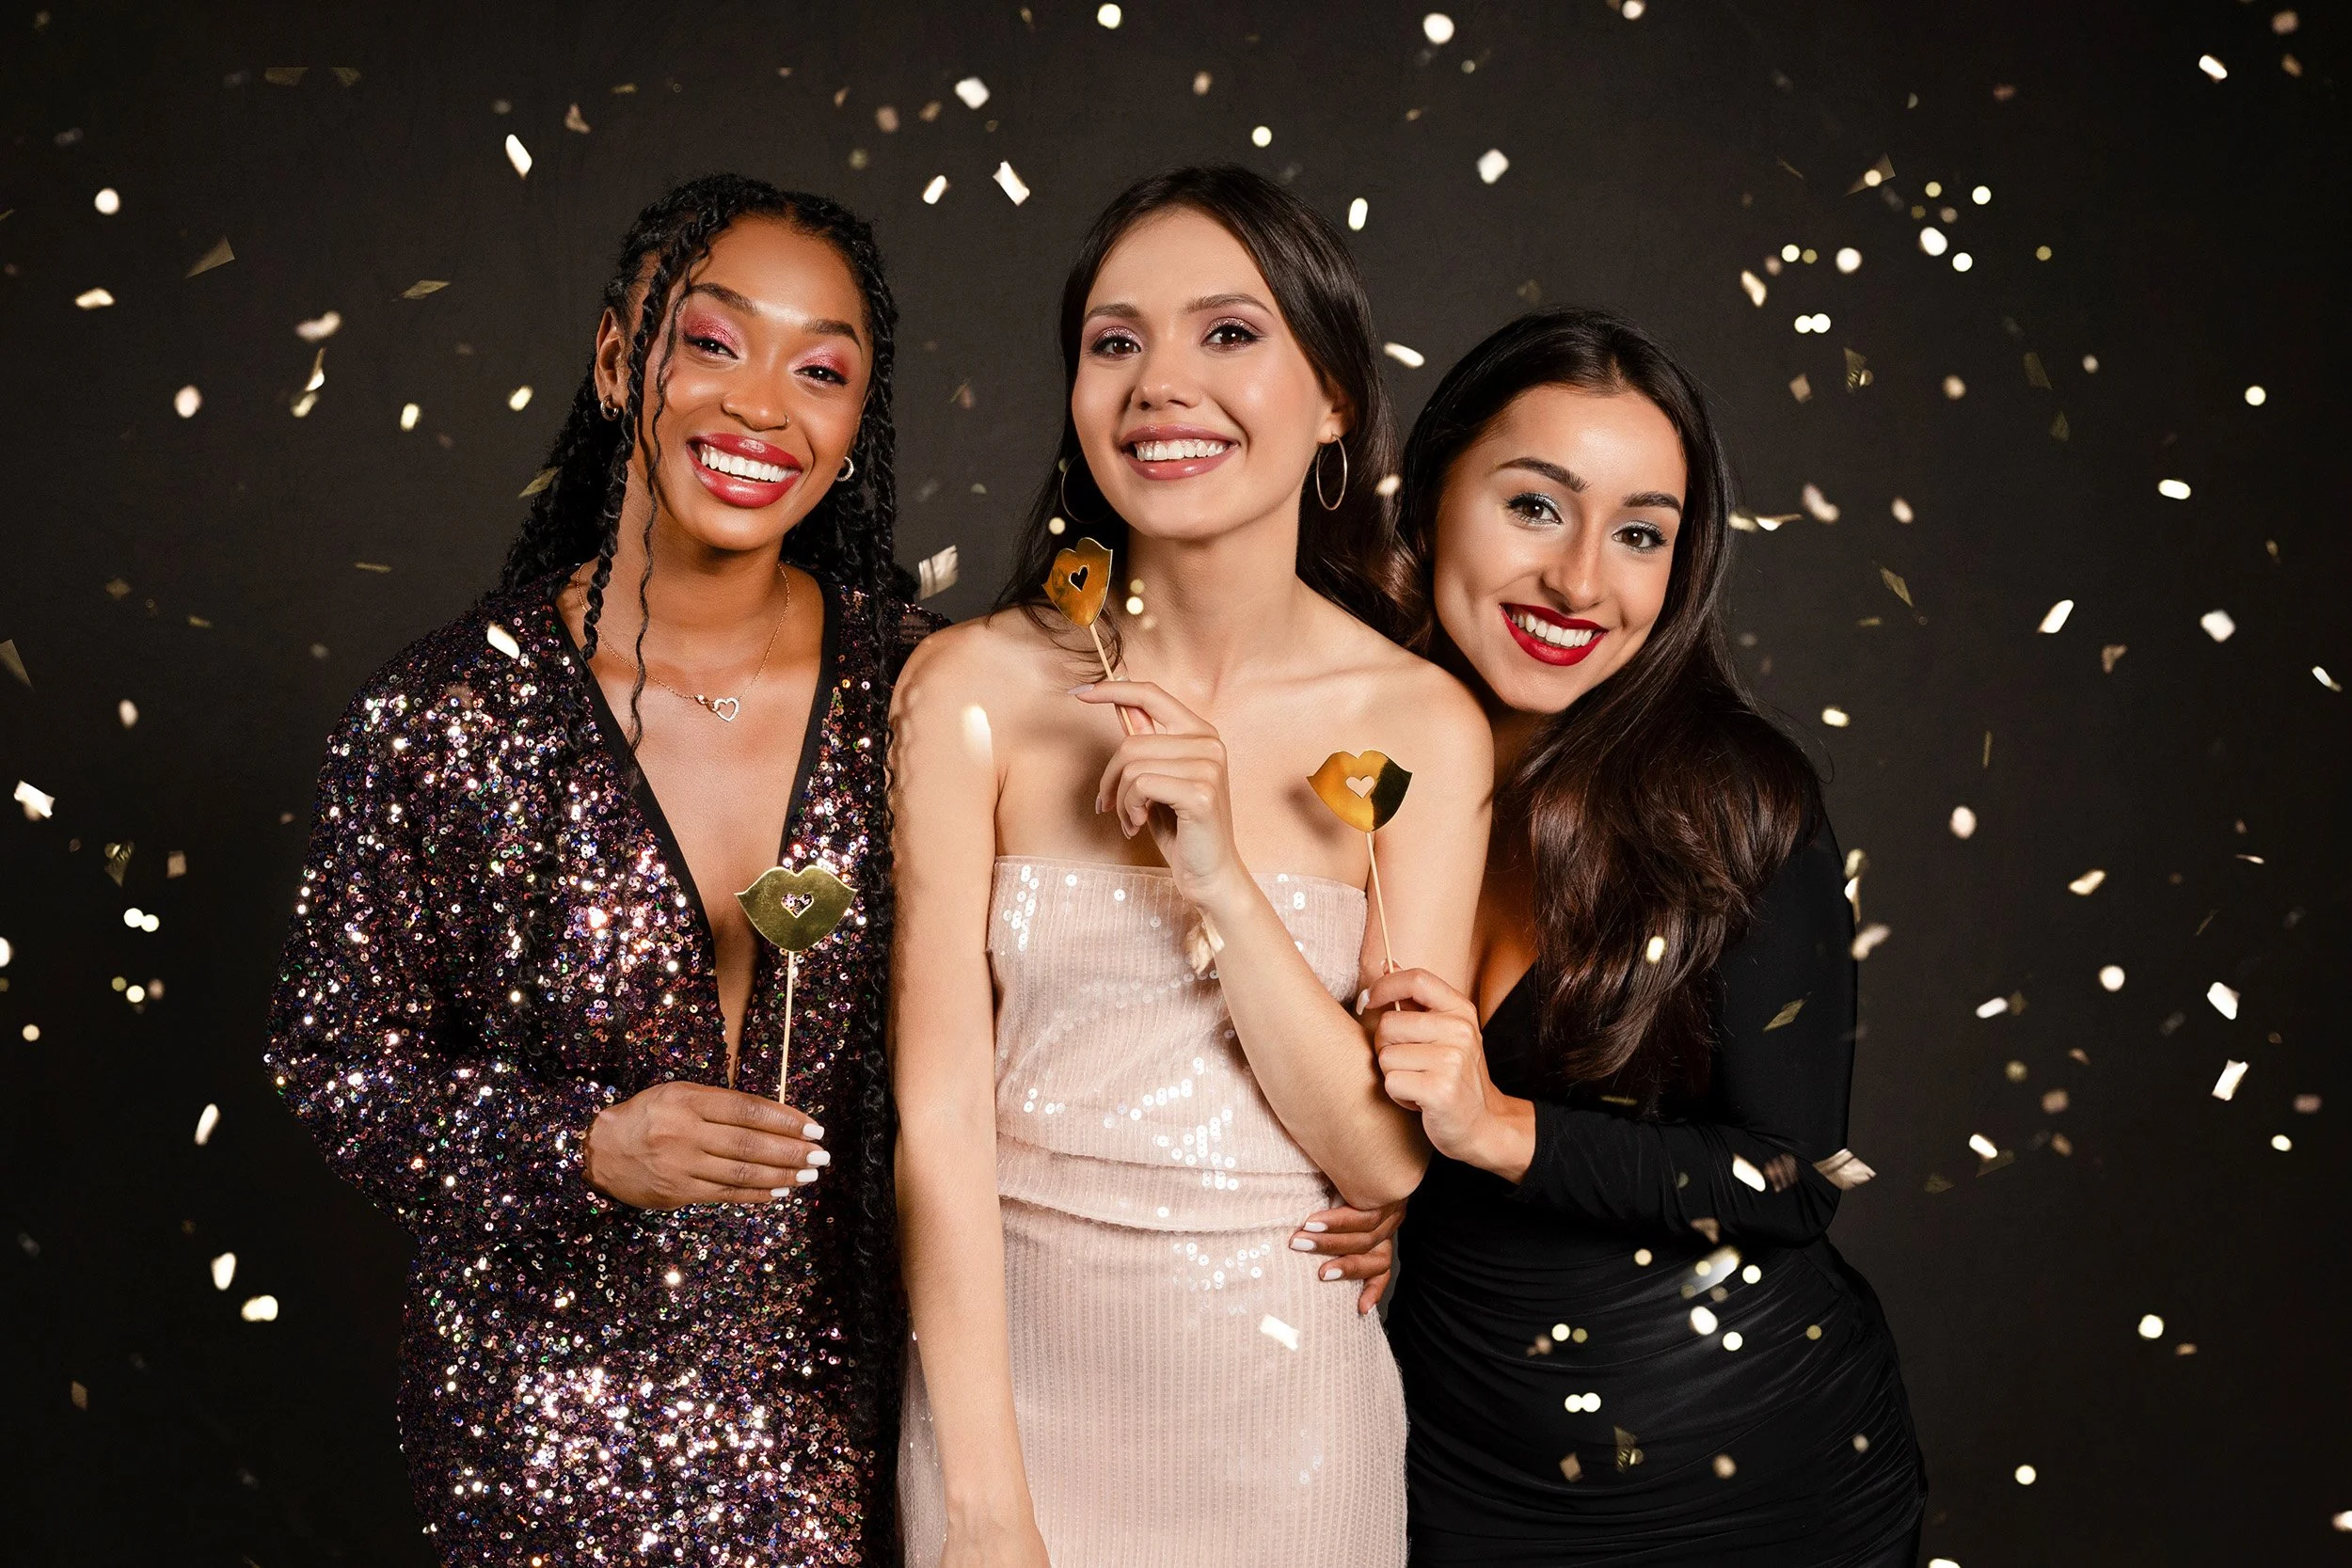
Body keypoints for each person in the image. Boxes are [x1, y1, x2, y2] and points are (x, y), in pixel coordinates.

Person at [263, 173, 932, 1564]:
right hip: (539, 1437)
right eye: (714, 341)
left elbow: (1060, 988)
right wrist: (581, 1147)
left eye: (820, 370)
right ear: (620, 360)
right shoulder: (445, 713)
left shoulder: (926, 691)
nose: (763, 407)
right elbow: (334, 1065)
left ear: (855, 425)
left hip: (859, 1421)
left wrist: (1314, 1178)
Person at [888, 166, 1491, 1568]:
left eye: (1228, 332)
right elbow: (939, 1117)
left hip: (1287, 1425)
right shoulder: (970, 685)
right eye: (1116, 341)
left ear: (1333, 398)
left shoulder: (1421, 725)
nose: (1162, 383)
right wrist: (984, 1506)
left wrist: (1217, 874)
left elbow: (1380, 1155)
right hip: (1010, 1403)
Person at [1369, 309, 1927, 1565]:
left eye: (1639, 534)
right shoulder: (1344, 761)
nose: (1580, 583)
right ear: (1433, 493)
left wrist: (1498, 1127)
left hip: (1751, 1489)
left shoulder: (1735, 800)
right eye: (1535, 506)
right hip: (1456, 1468)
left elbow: (1796, 1176)